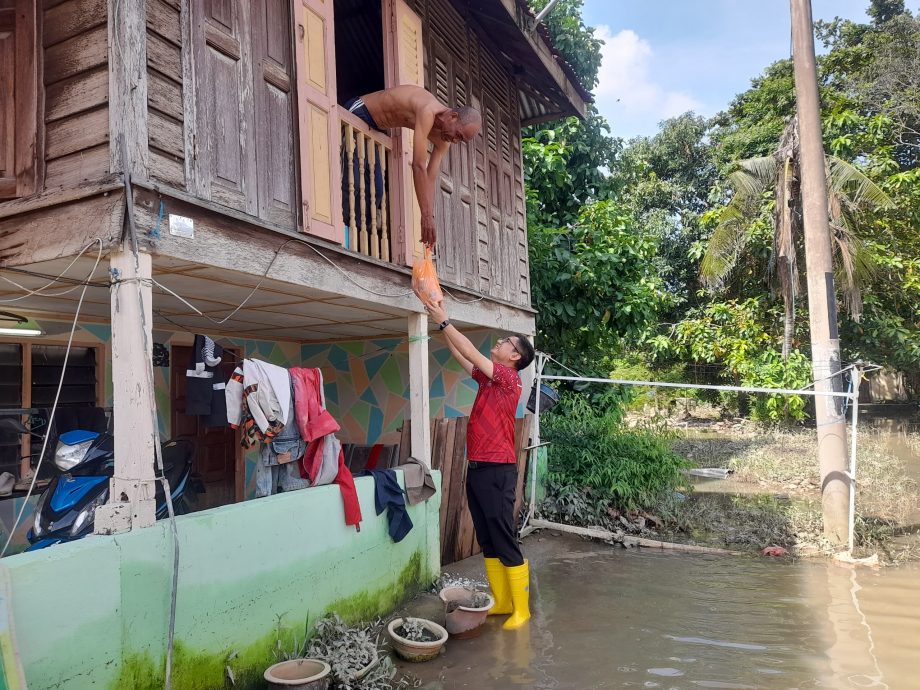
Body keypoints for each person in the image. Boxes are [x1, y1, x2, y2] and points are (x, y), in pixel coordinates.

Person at [423, 299, 535, 629]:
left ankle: (522, 610)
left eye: (506, 343)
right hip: (479, 469)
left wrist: (445, 322)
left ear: (515, 357)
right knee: (486, 537)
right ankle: (502, 602)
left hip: (498, 469)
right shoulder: (490, 379)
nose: (499, 343)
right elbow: (463, 357)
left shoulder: (508, 379)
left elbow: (472, 352)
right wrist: (439, 328)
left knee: (503, 536)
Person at [345, 85, 481, 248]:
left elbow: (429, 180)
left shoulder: (443, 142)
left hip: (373, 129)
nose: (455, 141)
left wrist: (429, 217)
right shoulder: (428, 110)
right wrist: (425, 216)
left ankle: (356, 239)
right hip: (359, 112)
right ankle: (344, 233)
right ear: (453, 116)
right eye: (458, 135)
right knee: (354, 180)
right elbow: (418, 166)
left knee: (377, 190)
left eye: (461, 140)